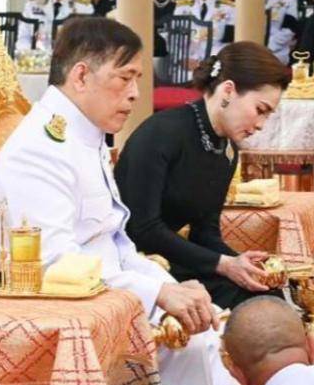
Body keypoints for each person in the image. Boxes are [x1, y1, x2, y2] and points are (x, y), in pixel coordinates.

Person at [0, 17, 249, 385]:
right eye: (124, 78)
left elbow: (116, 242)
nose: (134, 93)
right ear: (81, 75)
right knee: (192, 346)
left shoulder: (81, 134)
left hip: (100, 297)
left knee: (212, 326)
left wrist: (170, 287)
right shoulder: (41, 148)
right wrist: (157, 296)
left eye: (137, 79)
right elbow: (54, 264)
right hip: (52, 318)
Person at [115, 43, 290, 309]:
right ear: (228, 90)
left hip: (174, 261)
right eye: (260, 109)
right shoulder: (161, 133)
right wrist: (224, 264)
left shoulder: (227, 149)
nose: (260, 125)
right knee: (256, 303)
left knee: (266, 293)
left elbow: (205, 233)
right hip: (132, 264)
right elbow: (143, 229)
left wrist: (242, 265)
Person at [174, 0, 236, 65]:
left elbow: (229, 42)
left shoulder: (229, 8)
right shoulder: (182, 7)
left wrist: (211, 61)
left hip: (216, 64)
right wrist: (182, 59)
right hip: (187, 65)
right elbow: (175, 39)